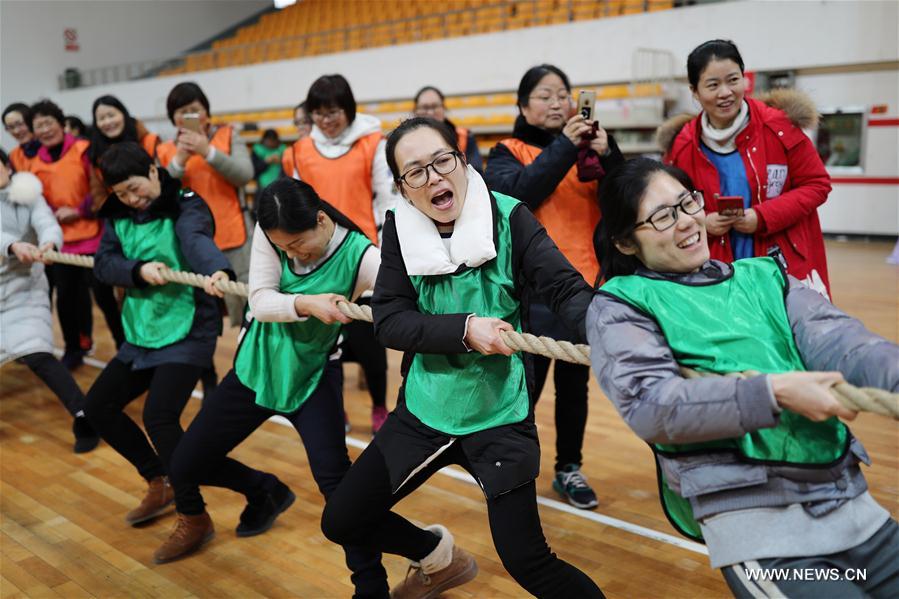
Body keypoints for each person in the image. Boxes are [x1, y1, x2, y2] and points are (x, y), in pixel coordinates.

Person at [588, 157, 898, 598]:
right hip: (763, 531)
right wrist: (773, 392)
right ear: (624, 242)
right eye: (662, 217)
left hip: (851, 505)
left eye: (687, 203)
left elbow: (845, 342)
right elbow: (651, 405)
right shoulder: (621, 305)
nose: (686, 221)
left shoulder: (763, 277)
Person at [321, 117, 605, 598]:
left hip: (500, 412)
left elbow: (565, 289)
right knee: (343, 519)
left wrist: (613, 332)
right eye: (416, 172)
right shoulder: (399, 228)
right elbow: (390, 320)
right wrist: (466, 330)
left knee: (529, 562)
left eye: (442, 161)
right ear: (402, 188)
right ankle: (436, 556)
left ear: (461, 159)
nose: (434, 177)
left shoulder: (510, 217)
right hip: (425, 407)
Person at [168, 178, 389, 593]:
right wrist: (307, 303)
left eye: (298, 244)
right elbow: (261, 301)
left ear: (321, 220)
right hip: (257, 367)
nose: (291, 254)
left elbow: (405, 296)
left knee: (338, 488)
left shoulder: (363, 256)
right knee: (184, 465)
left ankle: (371, 584)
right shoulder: (274, 232)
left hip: (313, 377)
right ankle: (264, 491)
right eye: (283, 247)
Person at [83, 142, 232, 563]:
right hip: (143, 328)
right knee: (97, 407)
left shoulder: (185, 202)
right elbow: (103, 263)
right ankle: (158, 479)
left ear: (153, 170)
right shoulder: (117, 214)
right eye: (121, 193)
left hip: (189, 327)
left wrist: (217, 270)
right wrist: (137, 270)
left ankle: (194, 515)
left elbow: (196, 239)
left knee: (160, 418)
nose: (131, 199)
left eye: (135, 188)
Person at [485, 64, 625, 509]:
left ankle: (569, 468)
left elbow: (627, 199)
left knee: (574, 387)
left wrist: (611, 155)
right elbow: (520, 194)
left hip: (583, 288)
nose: (556, 102)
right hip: (529, 293)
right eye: (544, 95)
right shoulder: (506, 151)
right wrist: (566, 144)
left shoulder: (587, 154)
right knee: (522, 388)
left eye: (562, 95)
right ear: (523, 106)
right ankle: (514, 468)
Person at [656, 39, 832, 297]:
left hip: (781, 262)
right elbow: (668, 204)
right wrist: (702, 220)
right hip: (713, 266)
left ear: (745, 80)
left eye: (733, 80)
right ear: (694, 91)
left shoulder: (779, 128)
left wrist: (763, 217)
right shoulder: (682, 145)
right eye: (713, 85)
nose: (725, 92)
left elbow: (817, 184)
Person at [281, 74, 401, 433]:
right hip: (317, 258)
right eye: (318, 113)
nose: (325, 120)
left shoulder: (372, 143)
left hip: (363, 255)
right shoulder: (300, 150)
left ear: (348, 109)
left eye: (332, 111)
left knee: (369, 343)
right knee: (322, 343)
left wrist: (384, 253)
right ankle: (335, 408)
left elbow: (387, 201)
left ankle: (379, 407)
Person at [0, 149, 99, 453]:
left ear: (7, 167)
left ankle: (85, 417)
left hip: (24, 287)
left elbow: (47, 223)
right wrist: (13, 245)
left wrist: (49, 243)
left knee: (37, 353)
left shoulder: (28, 194)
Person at [27, 99, 124, 368]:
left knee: (105, 297)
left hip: (93, 237)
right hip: (60, 243)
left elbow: (99, 187)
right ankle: (72, 348)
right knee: (65, 299)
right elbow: (38, 202)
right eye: (39, 126)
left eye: (49, 123)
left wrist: (79, 211)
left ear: (61, 123)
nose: (45, 130)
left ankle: (124, 346)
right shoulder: (35, 164)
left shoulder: (84, 149)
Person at [157, 82, 254, 330]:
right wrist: (179, 160)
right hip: (190, 243)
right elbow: (160, 196)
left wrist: (207, 152)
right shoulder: (165, 150)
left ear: (206, 111)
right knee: (201, 313)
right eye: (182, 112)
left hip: (235, 236)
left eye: (195, 109)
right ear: (173, 118)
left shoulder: (229, 135)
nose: (190, 116)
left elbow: (244, 174)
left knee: (248, 307)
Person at [88, 95, 161, 212]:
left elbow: (165, 177)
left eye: (111, 115)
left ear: (123, 114)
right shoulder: (96, 155)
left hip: (159, 207)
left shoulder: (149, 142)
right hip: (122, 216)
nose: (107, 122)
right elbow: (99, 196)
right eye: (101, 118)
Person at [413, 85, 483, 173]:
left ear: (443, 108)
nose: (430, 112)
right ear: (415, 110)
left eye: (435, 106)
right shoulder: (404, 142)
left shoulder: (464, 136)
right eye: (425, 107)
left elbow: (476, 172)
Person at [3, 103, 41, 172]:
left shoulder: (51, 145)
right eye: (11, 127)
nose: (16, 131)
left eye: (20, 124)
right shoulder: (14, 156)